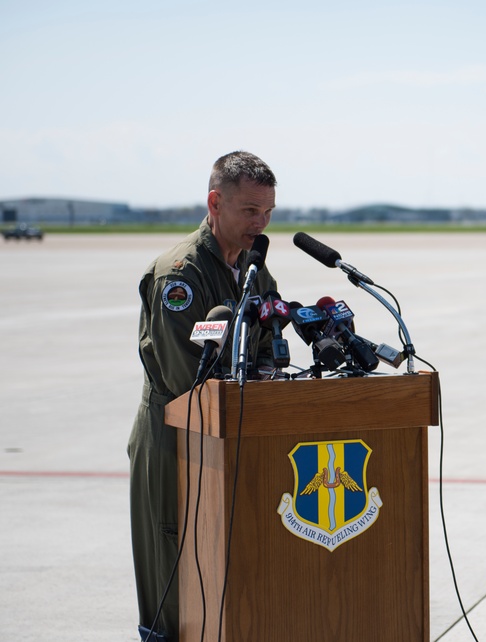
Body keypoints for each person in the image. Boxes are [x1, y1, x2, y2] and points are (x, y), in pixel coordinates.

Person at [128, 151, 280, 640]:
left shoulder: (254, 270)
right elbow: (184, 380)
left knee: (223, 577)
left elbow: (268, 348)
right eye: (250, 211)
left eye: (269, 212)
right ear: (215, 202)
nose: (261, 223)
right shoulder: (181, 276)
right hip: (175, 444)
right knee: (175, 587)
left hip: (229, 440)